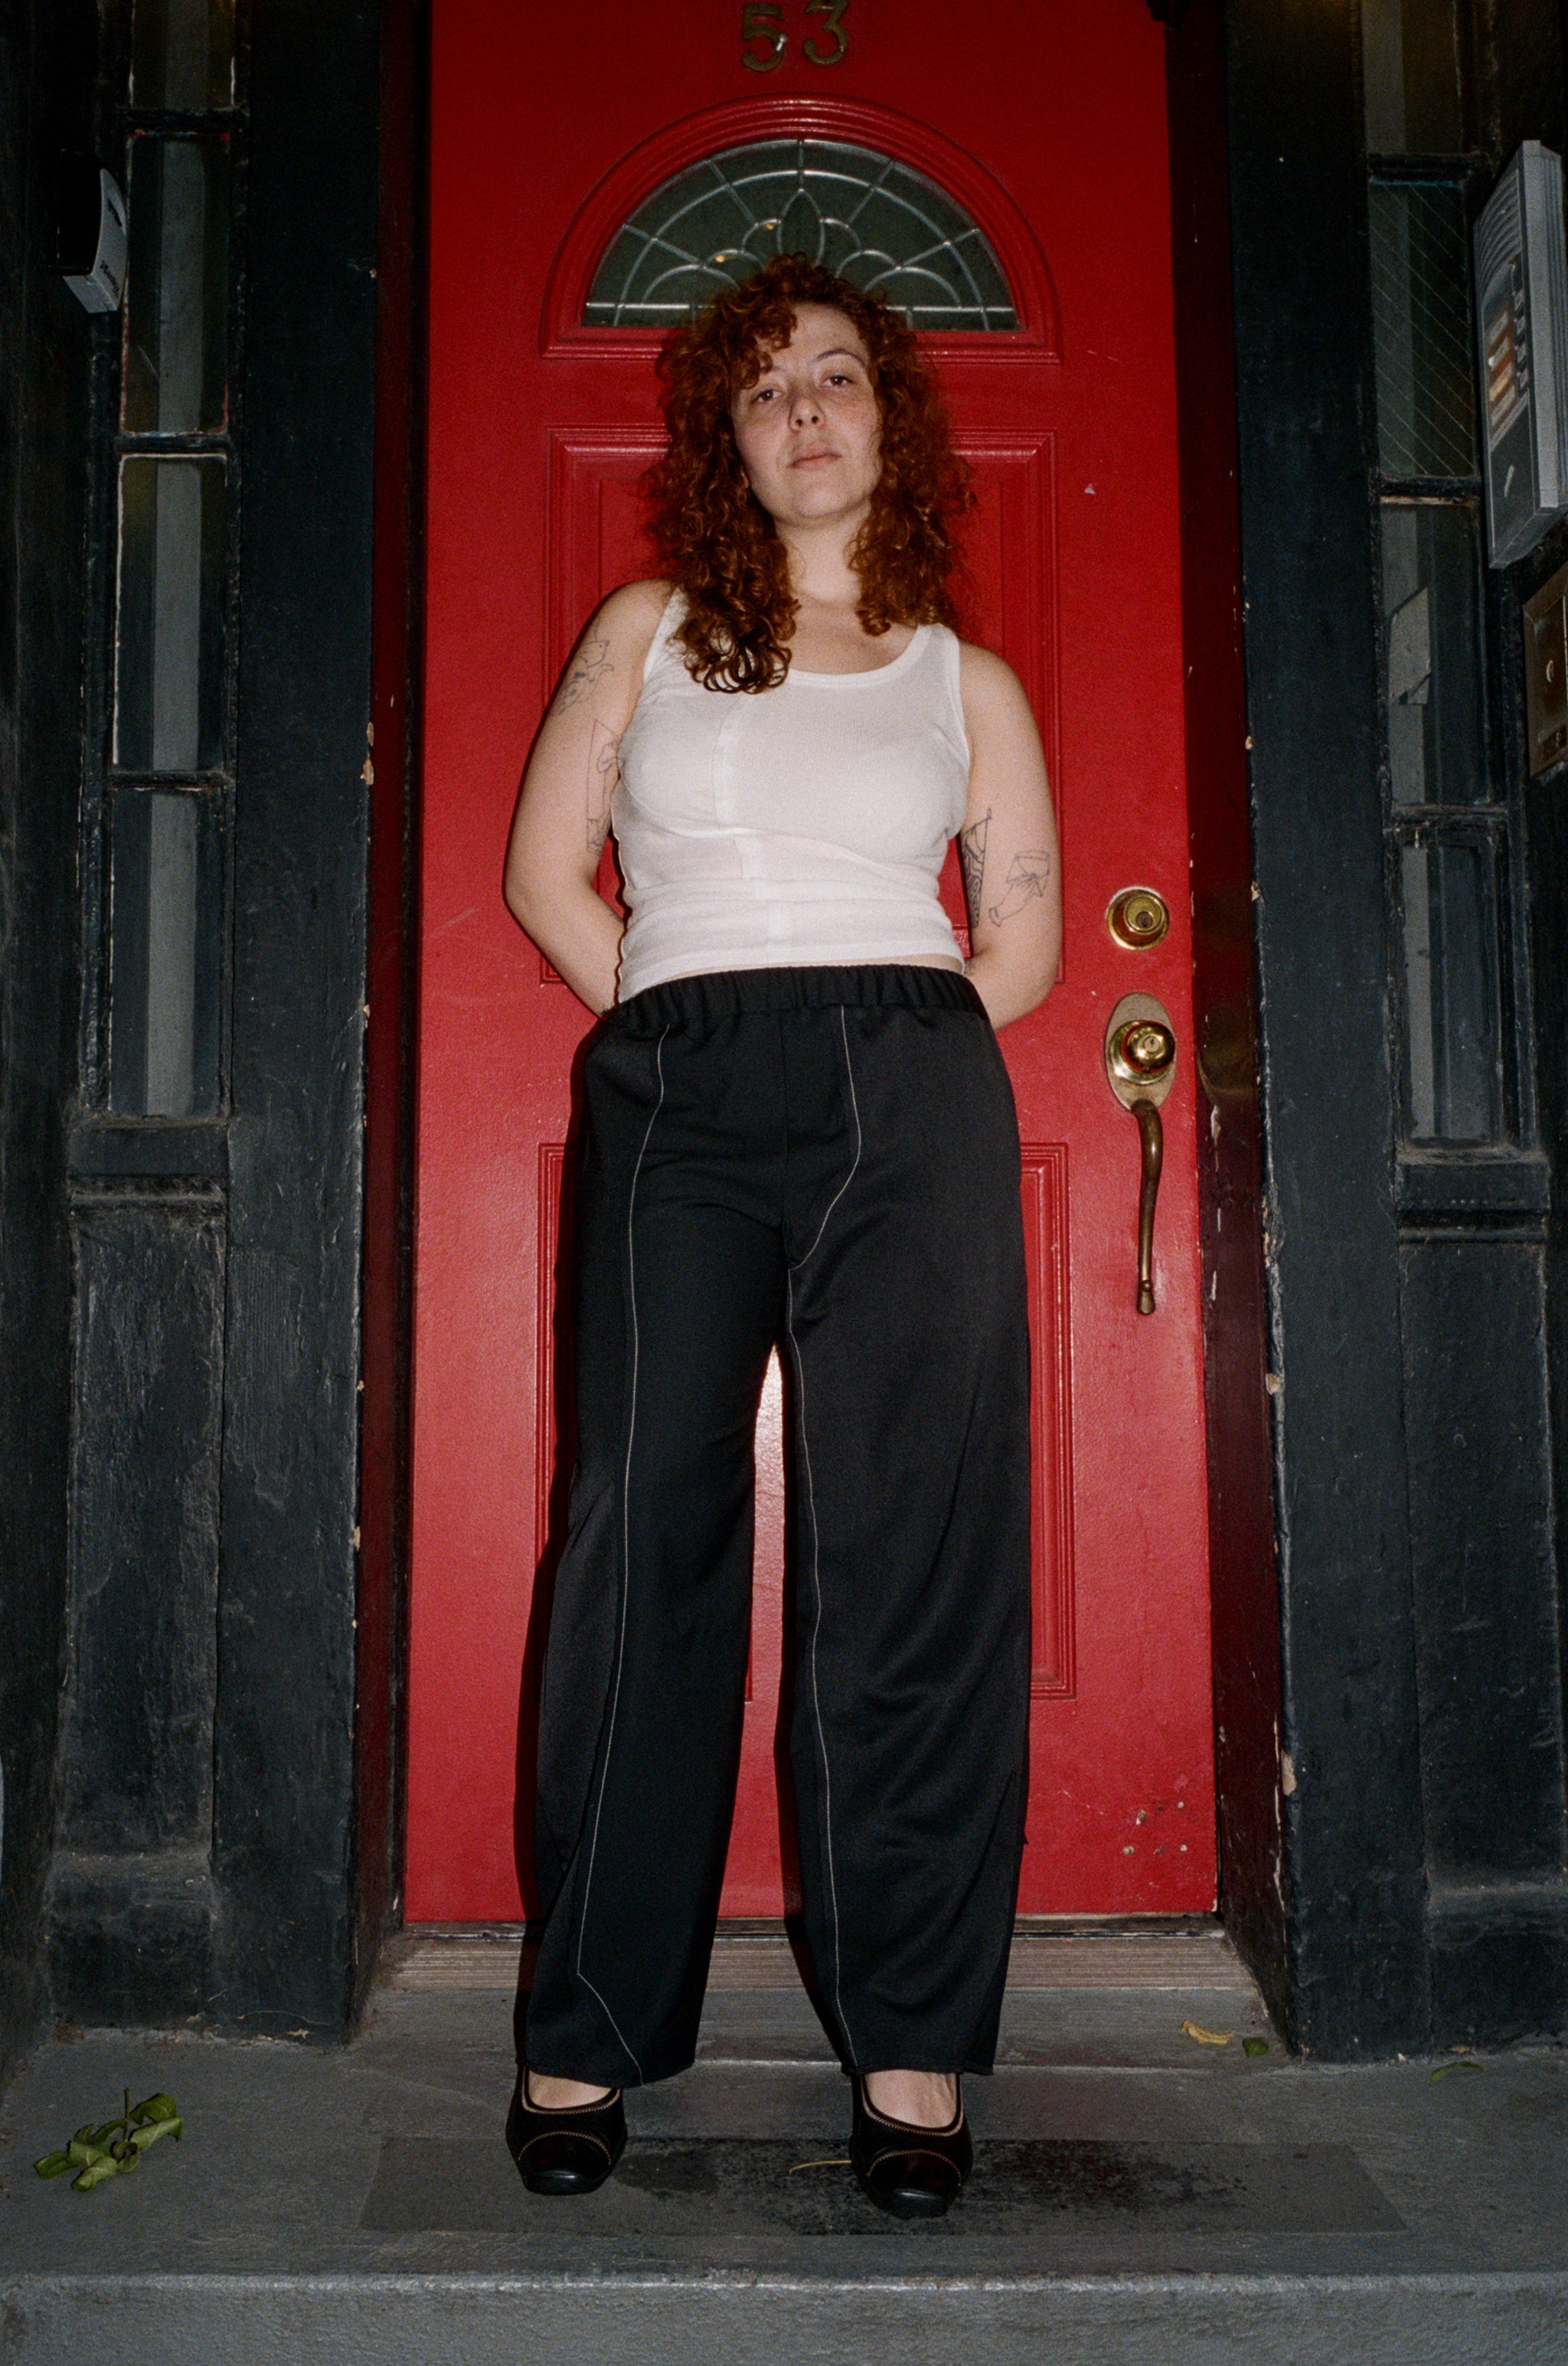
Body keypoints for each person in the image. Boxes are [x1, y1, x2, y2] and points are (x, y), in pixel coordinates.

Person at [501, 253, 1060, 2220]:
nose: (804, 410)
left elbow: (1021, 943)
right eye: (762, 388)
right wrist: (679, 1022)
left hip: (909, 1076)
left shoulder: (961, 678)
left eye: (835, 374)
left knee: (910, 1552)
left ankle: (908, 2039)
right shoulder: (646, 628)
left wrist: (879, 1052)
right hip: (677, 1078)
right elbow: (542, 873)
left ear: (886, 417)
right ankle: (584, 2023)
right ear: (724, 442)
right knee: (638, 1529)